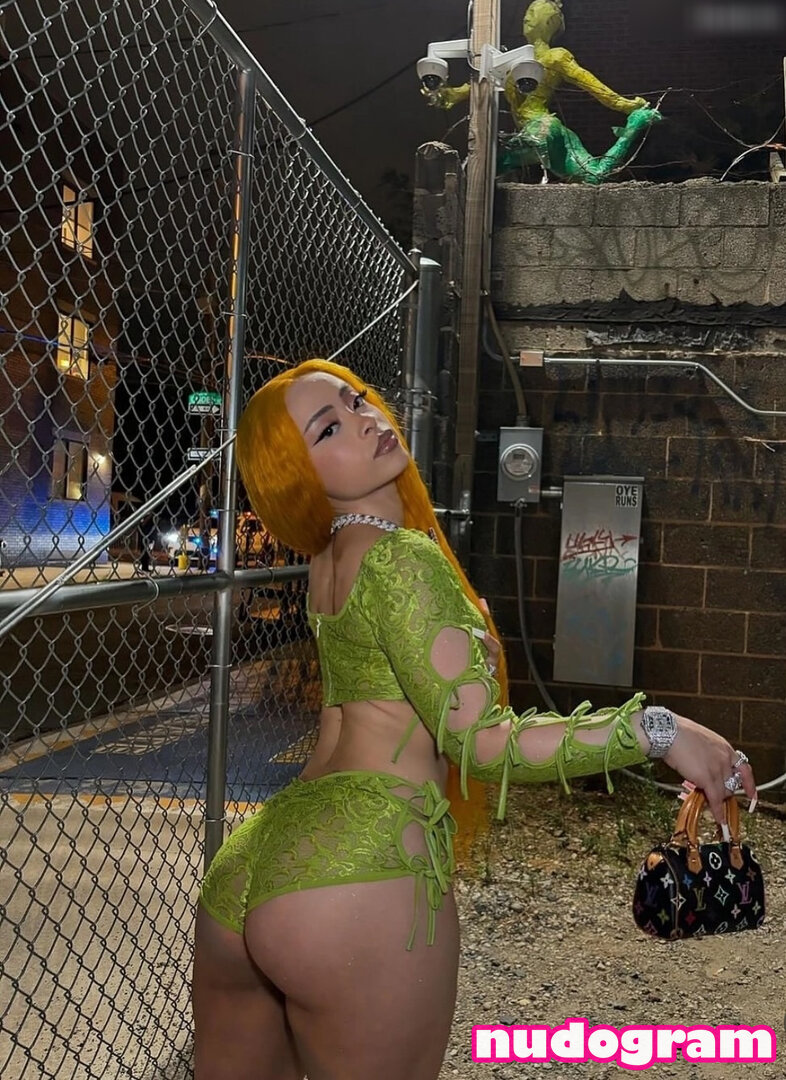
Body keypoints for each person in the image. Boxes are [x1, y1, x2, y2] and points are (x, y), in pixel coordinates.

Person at [192, 358, 757, 1080]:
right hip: (360, 871)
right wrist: (658, 730)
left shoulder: (330, 557)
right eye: (329, 428)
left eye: (357, 400)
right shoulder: (399, 558)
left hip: (254, 862)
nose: (366, 420)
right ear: (294, 477)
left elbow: (387, 693)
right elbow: (486, 744)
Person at [423, 0, 662, 183]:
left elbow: (594, 86)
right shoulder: (512, 60)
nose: (526, 18)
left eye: (533, 14)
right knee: (593, 176)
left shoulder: (555, 57)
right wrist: (448, 94)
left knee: (485, 167)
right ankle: (634, 127)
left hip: (540, 129)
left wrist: (625, 104)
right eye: (527, 14)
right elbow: (480, 82)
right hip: (556, 132)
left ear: (549, 23)